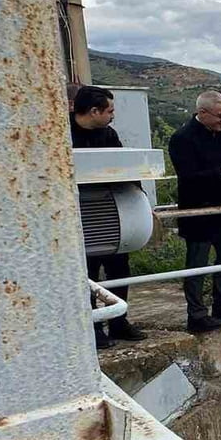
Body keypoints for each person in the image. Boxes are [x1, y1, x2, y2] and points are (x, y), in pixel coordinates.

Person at [168, 91, 221, 333]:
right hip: (198, 212)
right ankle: (196, 314)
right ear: (202, 113)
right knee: (197, 266)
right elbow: (188, 177)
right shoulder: (182, 138)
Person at [71, 85, 147, 349]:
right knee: (88, 274)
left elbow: (126, 169)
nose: (113, 115)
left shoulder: (108, 134)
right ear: (94, 111)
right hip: (82, 218)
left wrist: (138, 201)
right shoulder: (63, 135)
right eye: (110, 110)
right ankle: (93, 327)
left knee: (119, 269)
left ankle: (119, 320)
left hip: (112, 216)